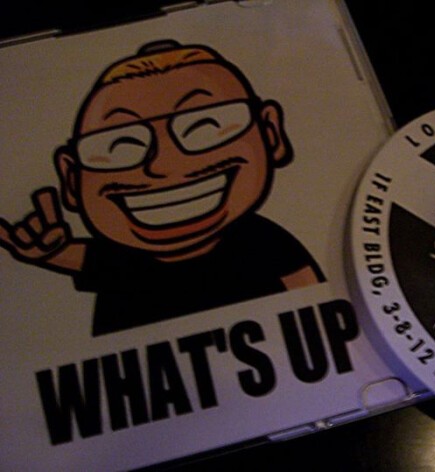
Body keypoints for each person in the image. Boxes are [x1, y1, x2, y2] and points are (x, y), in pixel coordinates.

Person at [0, 40, 325, 336]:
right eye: (120, 145)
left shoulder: (262, 242)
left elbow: (317, 304)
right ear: (72, 178)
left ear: (269, 133)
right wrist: (51, 253)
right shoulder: (125, 260)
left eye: (204, 127)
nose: (163, 164)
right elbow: (89, 260)